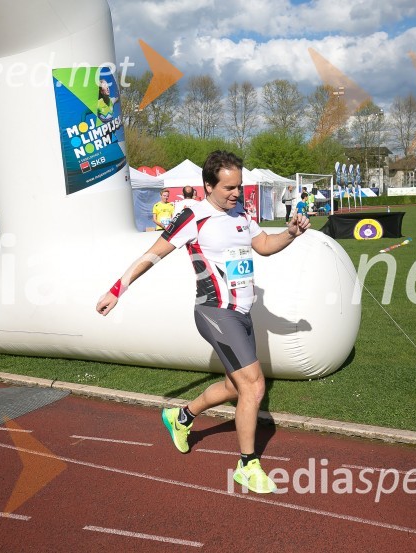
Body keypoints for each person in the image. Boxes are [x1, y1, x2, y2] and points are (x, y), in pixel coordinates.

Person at [96, 150, 311, 494]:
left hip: (242, 315)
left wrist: (291, 233)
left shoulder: (241, 211)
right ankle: (247, 464)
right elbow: (152, 255)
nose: (236, 194)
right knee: (254, 387)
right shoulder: (192, 215)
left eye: (239, 187)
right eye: (228, 188)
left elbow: (265, 245)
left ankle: (181, 417)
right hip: (214, 311)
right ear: (208, 185)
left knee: (232, 387)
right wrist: (116, 289)